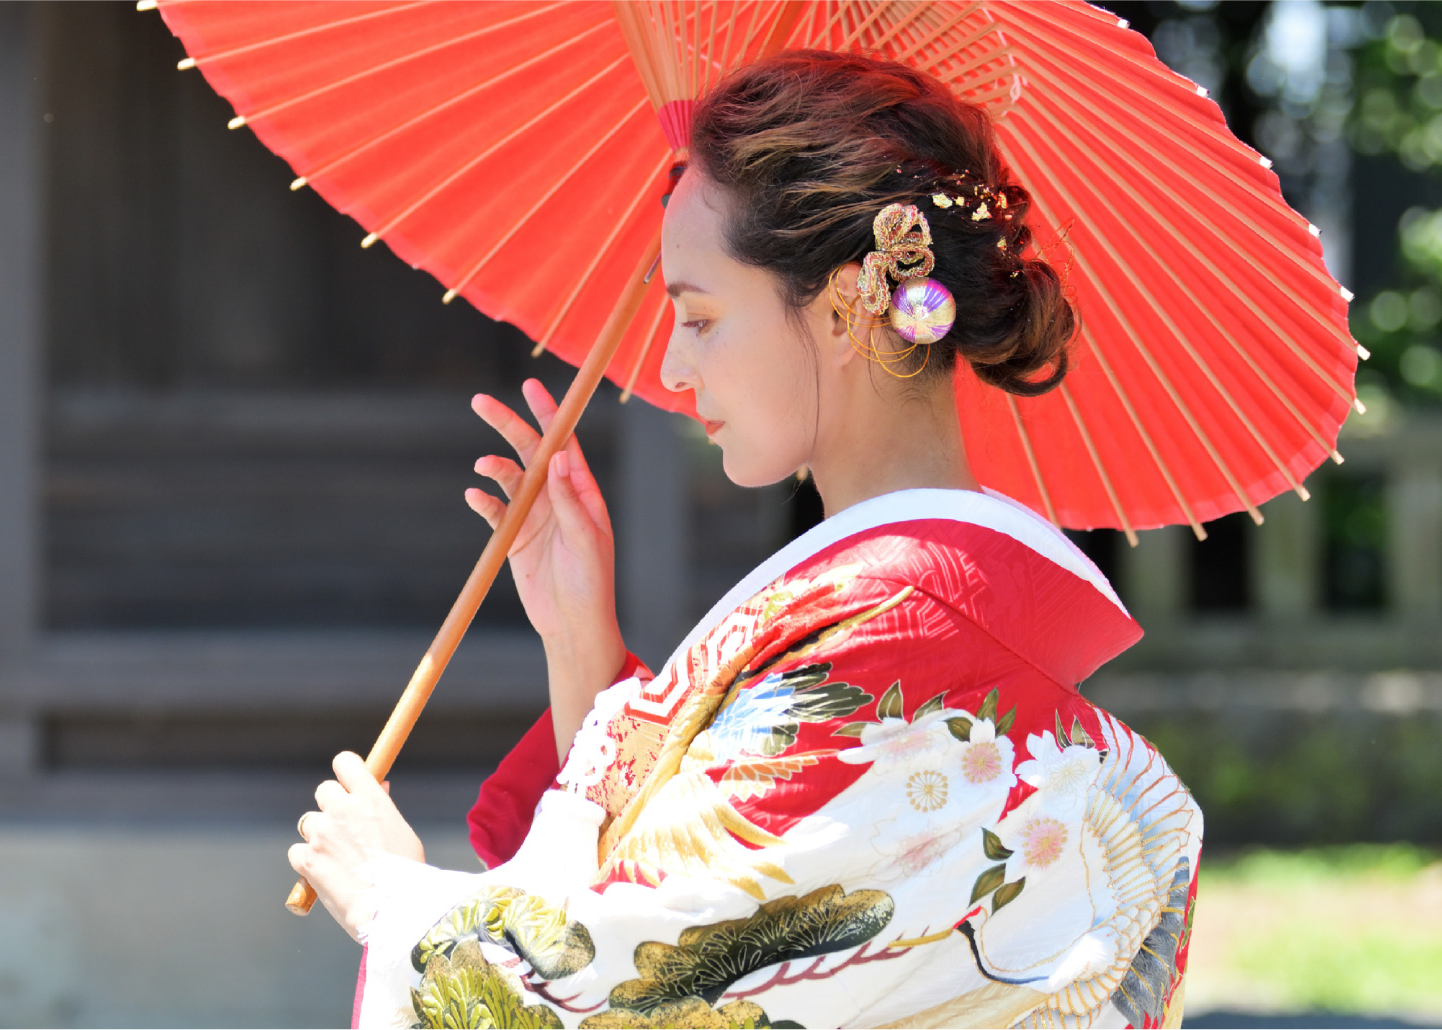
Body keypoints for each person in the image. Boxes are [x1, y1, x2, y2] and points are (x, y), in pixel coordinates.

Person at [287, 52, 1202, 1030]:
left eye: (701, 316)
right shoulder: (924, 614)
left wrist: (394, 903)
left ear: (848, 303)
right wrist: (583, 648)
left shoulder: (889, 627)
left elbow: (641, 978)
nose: (676, 366)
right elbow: (705, 884)